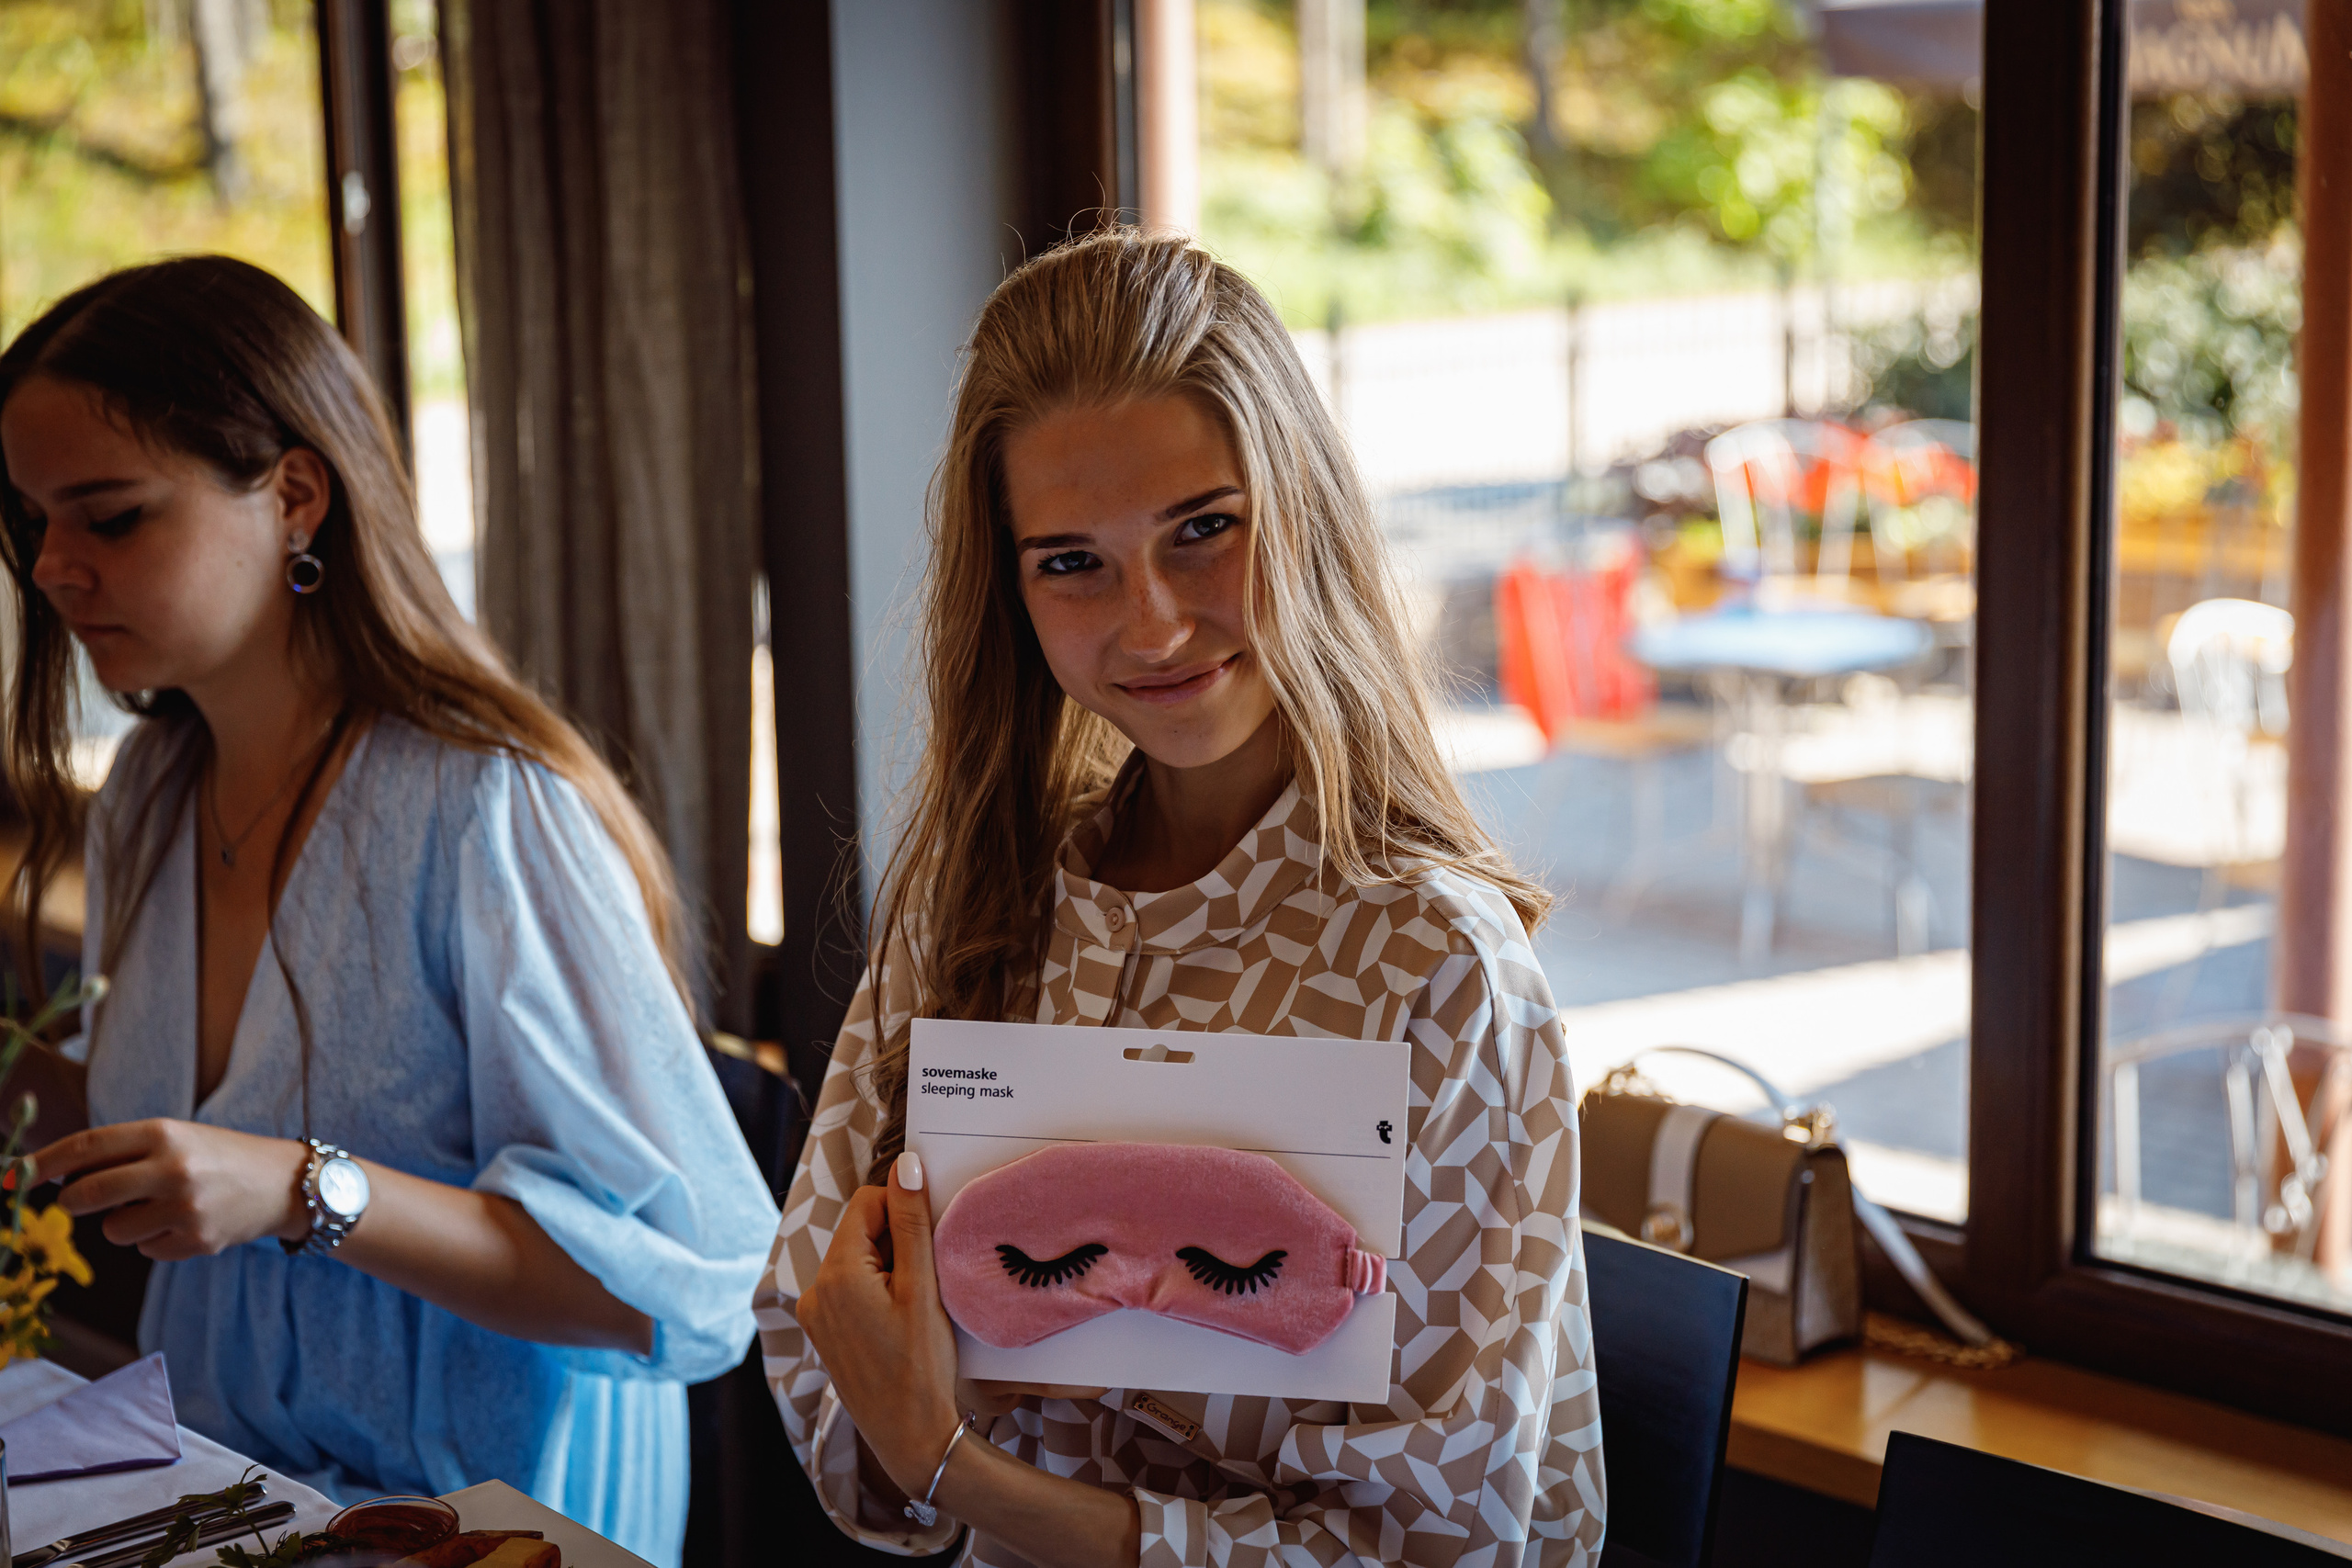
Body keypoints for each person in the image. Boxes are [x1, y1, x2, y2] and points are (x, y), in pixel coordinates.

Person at [756, 230, 1607, 1567]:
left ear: (1304, 517)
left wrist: (959, 1460)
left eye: (1204, 532)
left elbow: (1446, 1551)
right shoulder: (976, 905)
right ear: (1012, 592)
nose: (1150, 624)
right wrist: (905, 1395)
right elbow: (823, 1390)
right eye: (1072, 562)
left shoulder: (1432, 963)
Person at [0, 256, 779, 1566]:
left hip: (487, 1519)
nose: (56, 569)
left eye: (112, 516)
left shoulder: (489, 815)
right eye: (30, 524)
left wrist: (310, 1191)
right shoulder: (150, 791)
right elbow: (193, 1134)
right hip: (226, 1492)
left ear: (296, 495)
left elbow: (699, 1289)